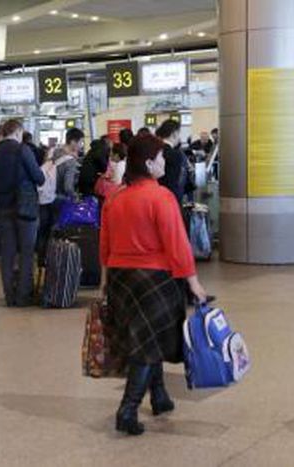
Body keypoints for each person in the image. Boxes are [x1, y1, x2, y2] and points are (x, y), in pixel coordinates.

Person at [99, 134, 207, 436]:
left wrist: (105, 282)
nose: (164, 162)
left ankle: (159, 397)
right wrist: (193, 283)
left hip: (122, 278)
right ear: (148, 163)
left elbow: (104, 243)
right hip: (154, 278)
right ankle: (127, 410)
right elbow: (177, 245)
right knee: (146, 346)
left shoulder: (115, 198)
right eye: (160, 157)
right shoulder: (161, 197)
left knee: (146, 338)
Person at [0, 119, 45, 307]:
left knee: (8, 252)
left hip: (3, 207)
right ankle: (23, 296)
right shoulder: (23, 150)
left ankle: (9, 296)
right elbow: (39, 178)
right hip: (25, 207)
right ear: (18, 132)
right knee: (27, 252)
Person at [156, 119, 195, 205]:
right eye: (179, 134)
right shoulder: (175, 154)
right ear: (174, 133)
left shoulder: (155, 150)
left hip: (155, 198)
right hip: (170, 200)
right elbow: (175, 184)